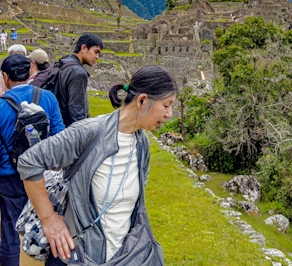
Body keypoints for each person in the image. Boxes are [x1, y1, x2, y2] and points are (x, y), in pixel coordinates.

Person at [19, 65, 177, 265]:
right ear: (142, 100)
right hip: (79, 256)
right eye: (166, 105)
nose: (170, 114)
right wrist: (49, 219)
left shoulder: (141, 142)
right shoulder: (89, 133)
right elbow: (29, 162)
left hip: (123, 257)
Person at [0, 54, 65, 266]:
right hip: (44, 176)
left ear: (5, 76)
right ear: (30, 72)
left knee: (9, 233)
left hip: (12, 176)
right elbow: (60, 137)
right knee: (50, 224)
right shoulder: (47, 98)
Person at [54, 33, 103, 127]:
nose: (97, 57)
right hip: (68, 131)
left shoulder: (64, 62)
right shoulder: (78, 73)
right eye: (96, 52)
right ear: (84, 48)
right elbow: (77, 112)